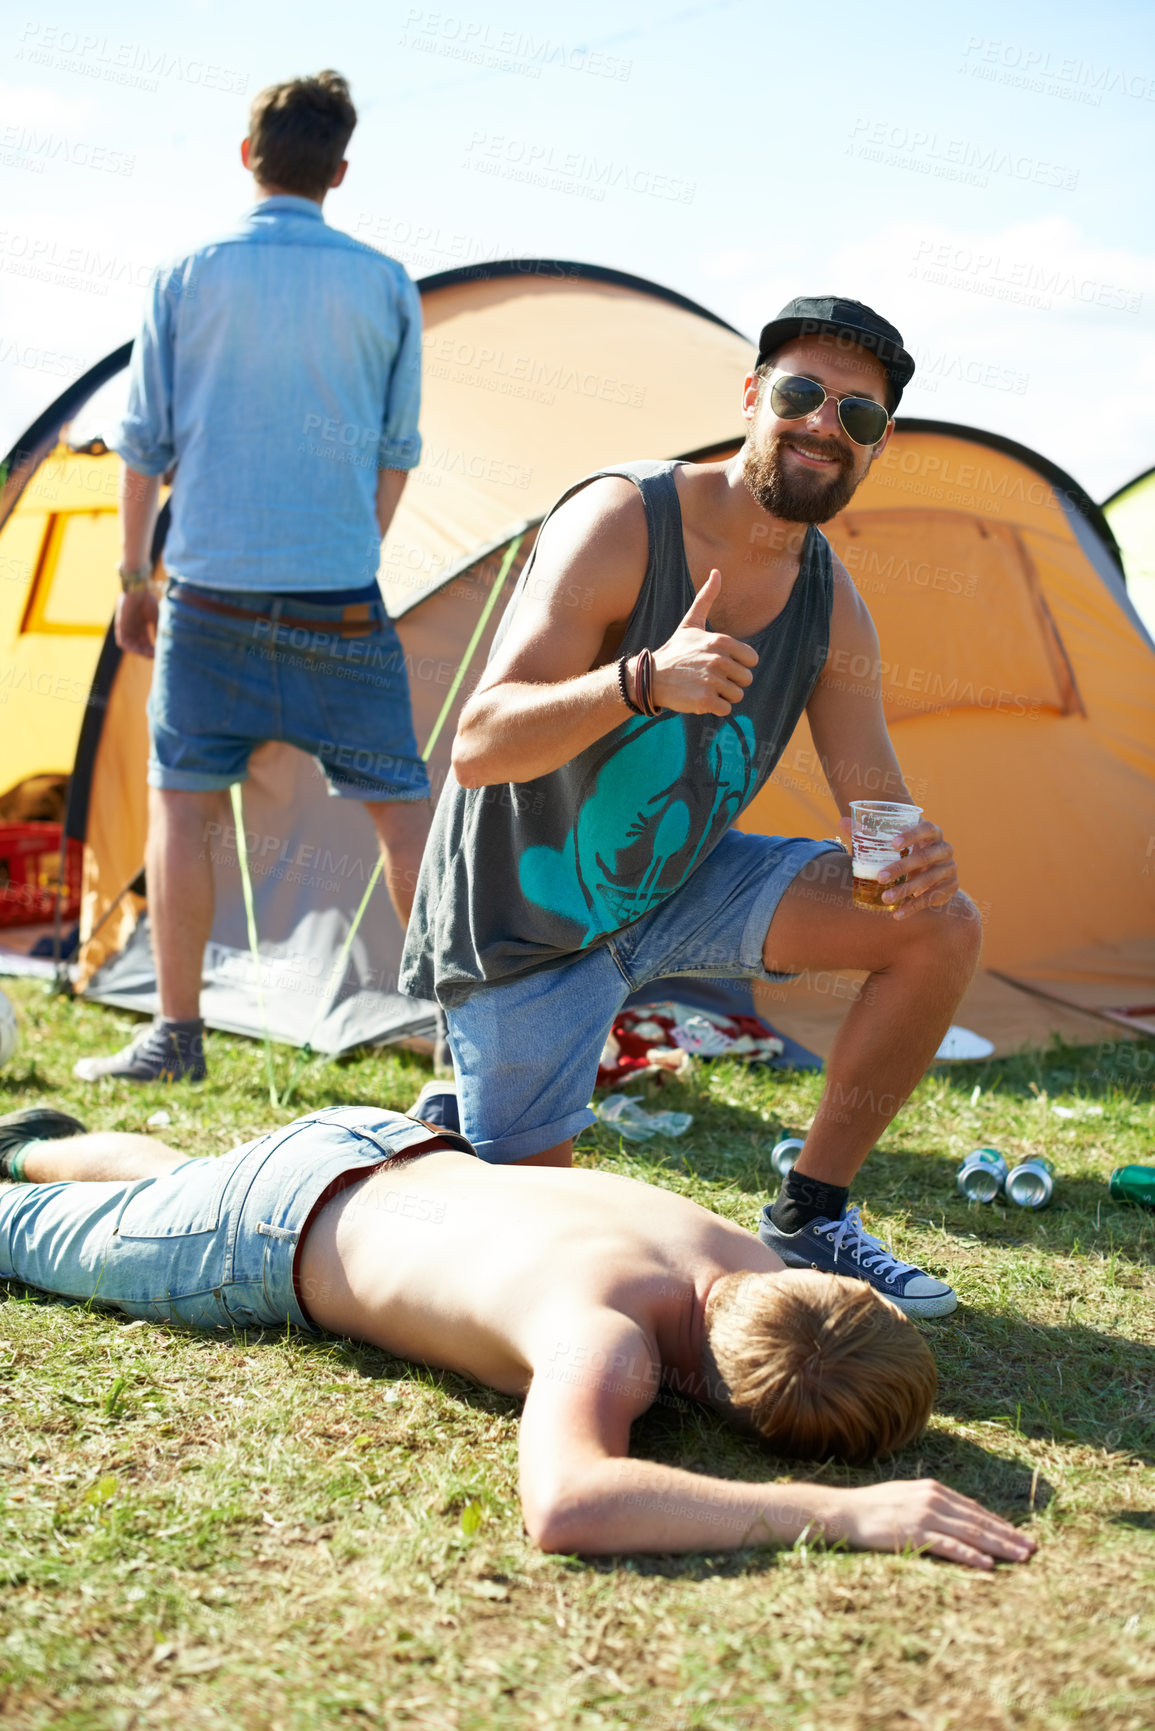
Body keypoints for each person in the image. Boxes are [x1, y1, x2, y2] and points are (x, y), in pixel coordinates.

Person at [401, 296, 982, 1320]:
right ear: (754, 396)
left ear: (877, 446)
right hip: (523, 922)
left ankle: (812, 1213)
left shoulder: (832, 603)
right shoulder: (623, 521)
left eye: (860, 417)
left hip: (678, 887)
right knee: (556, 1259)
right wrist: (640, 681)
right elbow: (480, 745)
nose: (823, 426)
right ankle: (449, 1127)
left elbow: (875, 803)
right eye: (803, 394)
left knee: (941, 926)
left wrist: (911, 857)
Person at [0, 1104, 1032, 1569]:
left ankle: (45, 1143)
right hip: (260, 1234)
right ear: (716, 1397)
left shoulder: (749, 1265)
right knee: (36, 1235)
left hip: (363, 1141)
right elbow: (570, 1504)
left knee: (172, 1181)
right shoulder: (608, 1343)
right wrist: (841, 1516)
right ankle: (34, 1174)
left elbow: (842, 1335)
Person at [77, 71, 430, 1088]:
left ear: (249, 158)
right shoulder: (385, 281)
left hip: (207, 593)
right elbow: (397, 448)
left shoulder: (185, 273)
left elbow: (141, 445)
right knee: (401, 810)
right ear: (341, 170)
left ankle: (173, 1037)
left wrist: (133, 575)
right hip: (341, 599)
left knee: (180, 807)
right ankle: (467, 1042)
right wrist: (351, 548)